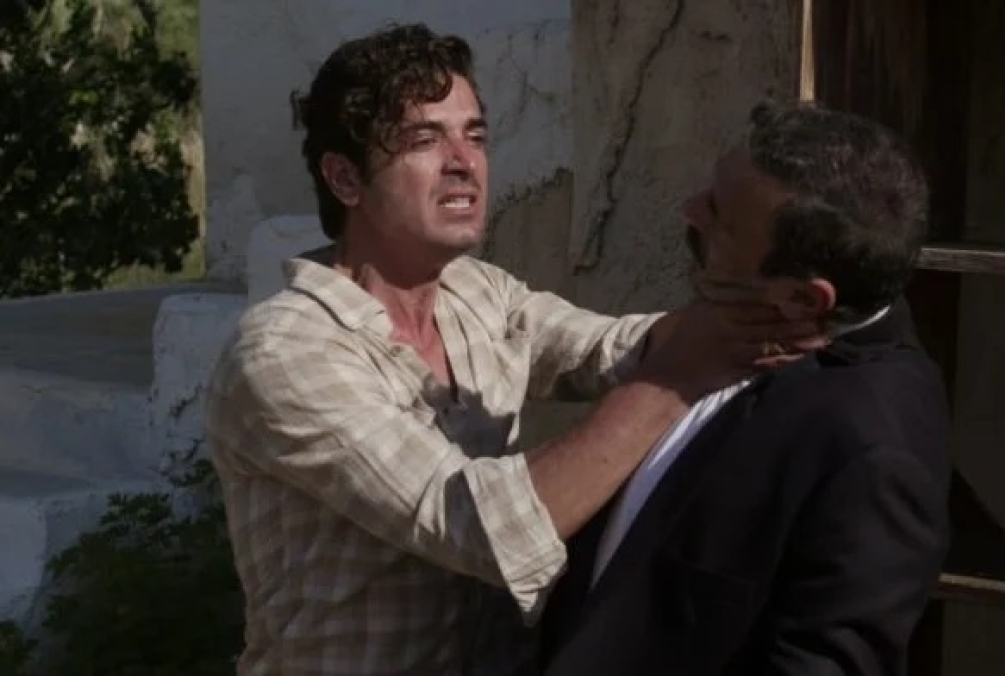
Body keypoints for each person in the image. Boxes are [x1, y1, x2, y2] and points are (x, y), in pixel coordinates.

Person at [204, 23, 821, 676]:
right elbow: (475, 526)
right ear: (345, 178)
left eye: (474, 136)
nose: (463, 163)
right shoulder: (285, 353)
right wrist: (677, 378)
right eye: (424, 140)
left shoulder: (475, 292)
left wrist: (764, 311)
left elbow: (613, 347)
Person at [540, 100, 952, 675]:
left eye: (719, 218)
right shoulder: (733, 332)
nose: (690, 210)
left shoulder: (874, 448)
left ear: (803, 298)